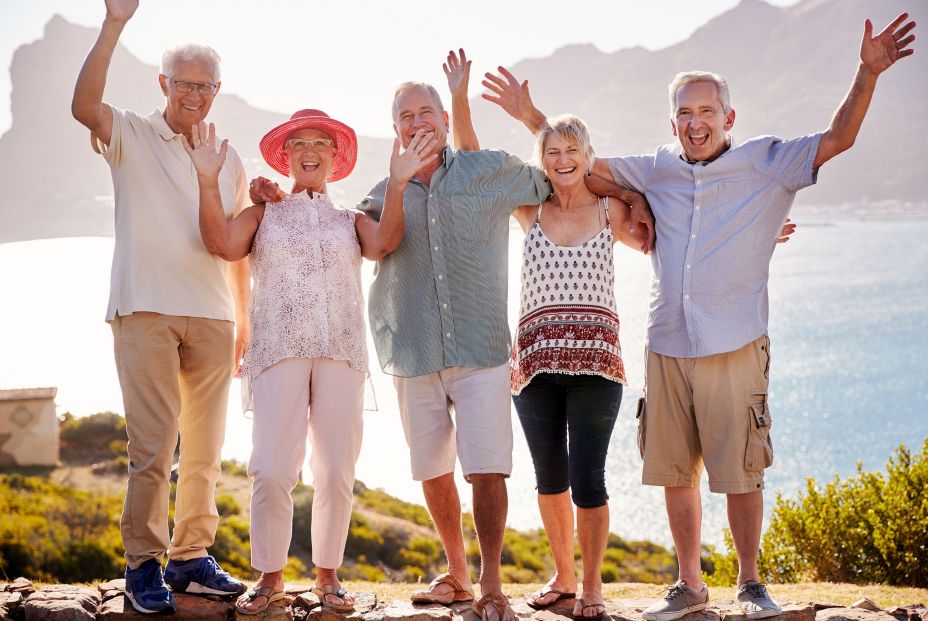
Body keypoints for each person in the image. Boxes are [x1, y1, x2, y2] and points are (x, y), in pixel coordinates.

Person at [482, 12, 916, 620]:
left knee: (742, 471)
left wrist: (866, 72)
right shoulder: (655, 167)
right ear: (673, 121)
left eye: (707, 111)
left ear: (729, 118)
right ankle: (689, 584)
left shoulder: (768, 162)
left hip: (735, 339)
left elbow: (837, 138)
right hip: (667, 341)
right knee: (674, 472)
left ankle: (749, 582)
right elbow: (578, 166)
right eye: (685, 112)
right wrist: (533, 120)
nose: (696, 122)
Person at [184, 111, 436, 615]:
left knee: (337, 469)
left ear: (335, 156)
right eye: (299, 143)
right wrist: (208, 180)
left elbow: (386, 242)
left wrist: (402, 181)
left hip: (341, 351)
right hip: (278, 350)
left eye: (321, 142)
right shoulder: (263, 214)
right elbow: (221, 243)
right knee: (273, 469)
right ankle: (269, 578)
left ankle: (328, 579)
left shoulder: (349, 221)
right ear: (287, 156)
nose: (310, 150)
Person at [71, 0, 251, 613]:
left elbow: (236, 246)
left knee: (204, 448)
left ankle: (191, 557)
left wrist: (243, 316)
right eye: (183, 84)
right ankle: (143, 563)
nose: (194, 95)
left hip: (213, 315)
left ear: (217, 90)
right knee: (153, 449)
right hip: (144, 308)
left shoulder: (229, 157)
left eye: (204, 86)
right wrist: (115, 23)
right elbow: (82, 106)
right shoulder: (130, 132)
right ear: (164, 85)